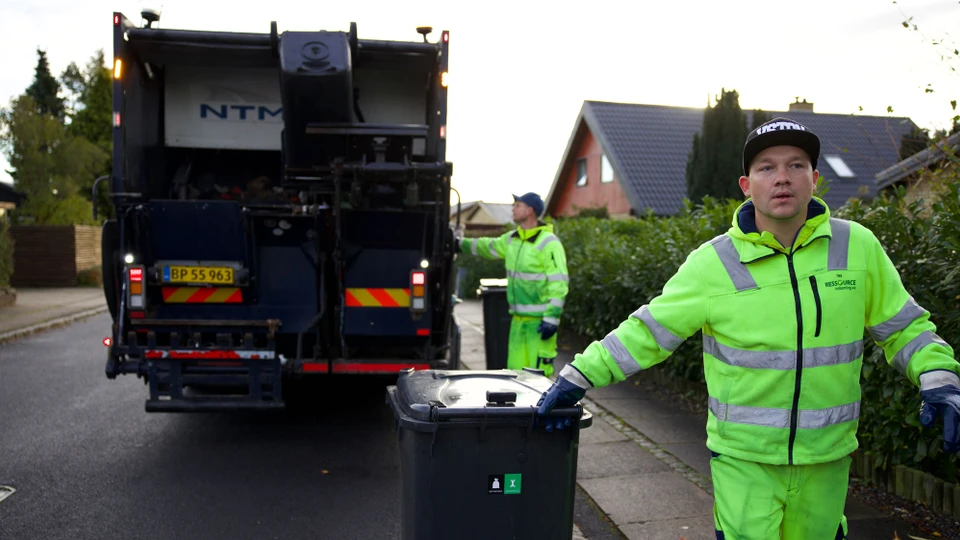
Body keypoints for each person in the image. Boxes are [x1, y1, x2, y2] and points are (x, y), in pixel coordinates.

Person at [536, 117, 960, 540]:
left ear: (815, 179)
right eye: (766, 167)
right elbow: (648, 331)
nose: (782, 178)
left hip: (827, 459)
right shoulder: (712, 263)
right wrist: (580, 375)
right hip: (744, 460)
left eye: (796, 165)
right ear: (746, 185)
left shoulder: (857, 247)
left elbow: (905, 327)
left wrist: (938, 376)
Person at [457, 192, 569, 377]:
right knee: (514, 376)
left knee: (538, 378)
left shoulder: (549, 243)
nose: (513, 209)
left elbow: (559, 283)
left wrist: (551, 318)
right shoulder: (512, 239)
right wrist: (461, 244)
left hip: (539, 324)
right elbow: (487, 246)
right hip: (517, 322)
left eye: (517, 205)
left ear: (530, 210)